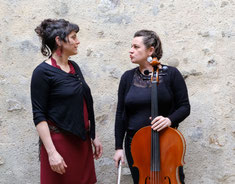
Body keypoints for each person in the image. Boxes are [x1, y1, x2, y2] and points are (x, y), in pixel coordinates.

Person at [31, 19, 103, 184]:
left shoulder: (74, 67)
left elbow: (82, 103)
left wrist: (93, 135)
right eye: (73, 37)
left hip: (81, 142)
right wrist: (52, 153)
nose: (78, 41)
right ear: (59, 40)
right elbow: (39, 115)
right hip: (60, 144)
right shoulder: (42, 72)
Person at [113, 30, 190, 184]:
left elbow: (184, 107)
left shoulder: (171, 74)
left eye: (136, 47)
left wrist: (169, 120)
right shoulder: (127, 77)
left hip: (166, 142)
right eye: (131, 46)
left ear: (150, 50)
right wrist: (118, 147)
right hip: (135, 145)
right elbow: (121, 113)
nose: (131, 50)